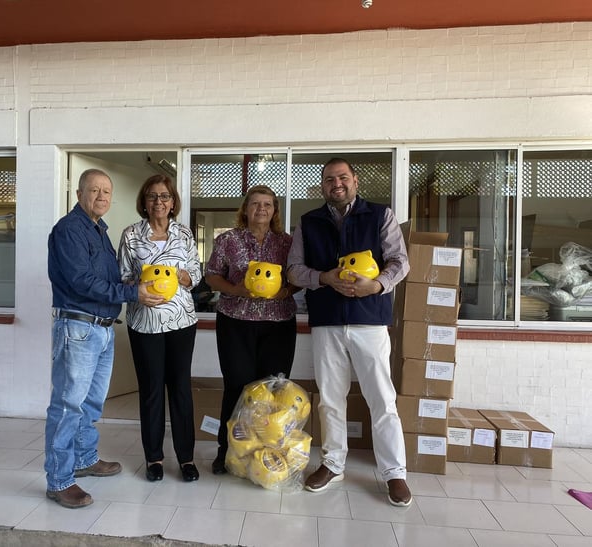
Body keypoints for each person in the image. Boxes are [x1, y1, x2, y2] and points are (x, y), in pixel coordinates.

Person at [286, 158, 413, 507]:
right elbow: (295, 270)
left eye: (342, 178)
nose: (336, 184)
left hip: (369, 320)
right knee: (330, 398)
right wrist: (323, 278)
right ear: (322, 185)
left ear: (355, 181)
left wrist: (377, 286)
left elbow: (400, 261)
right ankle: (332, 463)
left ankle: (394, 472)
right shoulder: (308, 221)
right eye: (329, 179)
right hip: (327, 321)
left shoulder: (379, 214)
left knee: (382, 399)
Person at [45, 168, 163, 509]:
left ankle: (83, 459)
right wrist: (133, 293)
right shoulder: (69, 230)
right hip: (78, 328)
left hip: (102, 328)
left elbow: (108, 277)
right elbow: (82, 282)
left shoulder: (99, 231)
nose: (102, 197)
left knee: (90, 403)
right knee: (68, 405)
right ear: (79, 193)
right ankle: (59, 480)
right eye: (94, 190)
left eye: (107, 192)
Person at [204, 185, 299, 475]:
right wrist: (235, 290)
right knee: (237, 387)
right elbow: (211, 276)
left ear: (275, 211)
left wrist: (286, 292)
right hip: (235, 322)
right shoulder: (227, 240)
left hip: (279, 324)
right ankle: (228, 452)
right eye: (255, 204)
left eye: (267, 205)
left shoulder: (288, 243)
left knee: (274, 390)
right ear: (245, 209)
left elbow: (298, 275)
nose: (261, 209)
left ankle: (269, 455)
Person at [118, 174, 202, 483]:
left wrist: (185, 278)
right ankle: (153, 458)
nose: (159, 202)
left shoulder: (184, 234)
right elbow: (123, 276)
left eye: (165, 196)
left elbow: (197, 272)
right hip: (145, 321)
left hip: (181, 321)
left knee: (180, 389)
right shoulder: (130, 235)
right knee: (152, 391)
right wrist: (140, 286)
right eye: (153, 196)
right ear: (144, 201)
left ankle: (186, 459)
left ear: (173, 201)